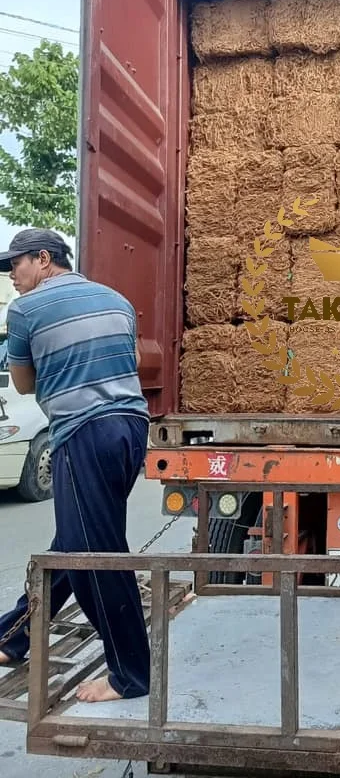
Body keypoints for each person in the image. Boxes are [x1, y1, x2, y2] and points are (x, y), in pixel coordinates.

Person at [0, 228, 151, 702]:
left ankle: (130, 674)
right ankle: (14, 636)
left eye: (16, 266)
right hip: (129, 428)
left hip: (83, 433)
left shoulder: (25, 311)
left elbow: (23, 384)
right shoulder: (117, 300)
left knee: (93, 554)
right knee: (75, 541)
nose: (12, 279)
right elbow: (130, 362)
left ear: (43, 259)